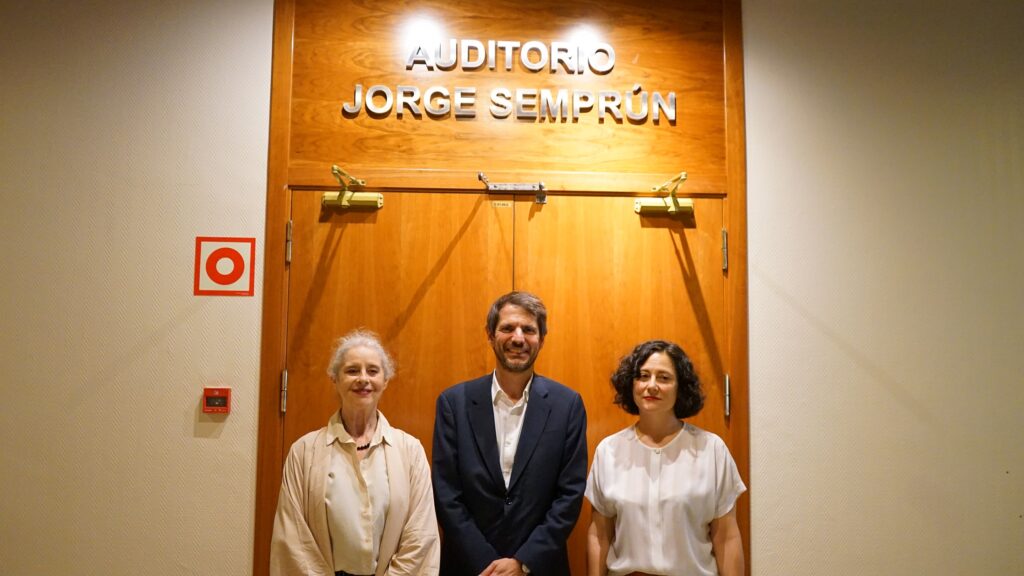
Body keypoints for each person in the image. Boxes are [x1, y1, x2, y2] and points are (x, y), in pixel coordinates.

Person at [432, 291, 588, 576]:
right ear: (490, 335)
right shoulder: (453, 403)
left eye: (528, 329)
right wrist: (486, 563)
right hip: (469, 567)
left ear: (542, 339)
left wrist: (523, 562)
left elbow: (569, 495)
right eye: (507, 328)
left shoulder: (567, 405)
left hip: (539, 568)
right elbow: (446, 493)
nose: (518, 338)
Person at [270, 329, 440, 576]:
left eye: (372, 371)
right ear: (335, 379)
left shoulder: (410, 451)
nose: (363, 379)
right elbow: (293, 539)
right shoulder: (303, 452)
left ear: (385, 380)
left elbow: (420, 534)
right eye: (352, 371)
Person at [585, 340, 746, 576]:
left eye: (663, 378)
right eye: (643, 376)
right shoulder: (609, 451)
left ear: (680, 387)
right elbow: (600, 534)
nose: (651, 386)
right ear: (631, 383)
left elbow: (727, 537)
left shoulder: (711, 450)